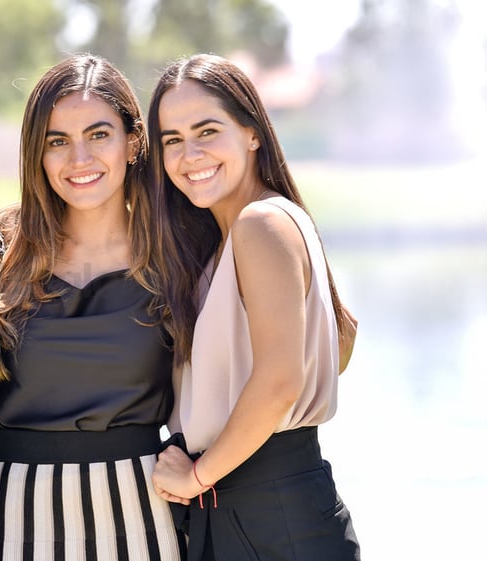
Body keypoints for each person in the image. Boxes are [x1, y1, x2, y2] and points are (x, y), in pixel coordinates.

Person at [147, 53, 361, 560]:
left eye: (207, 131)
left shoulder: (260, 224)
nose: (190, 154)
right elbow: (343, 341)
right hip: (247, 502)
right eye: (172, 140)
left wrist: (199, 474)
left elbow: (281, 379)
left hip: (267, 508)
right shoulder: (228, 240)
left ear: (253, 133)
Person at [0, 54, 185, 560]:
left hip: (142, 511)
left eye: (98, 135)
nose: (79, 159)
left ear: (133, 143)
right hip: (16, 514)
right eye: (57, 141)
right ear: (37, 154)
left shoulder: (177, 255)